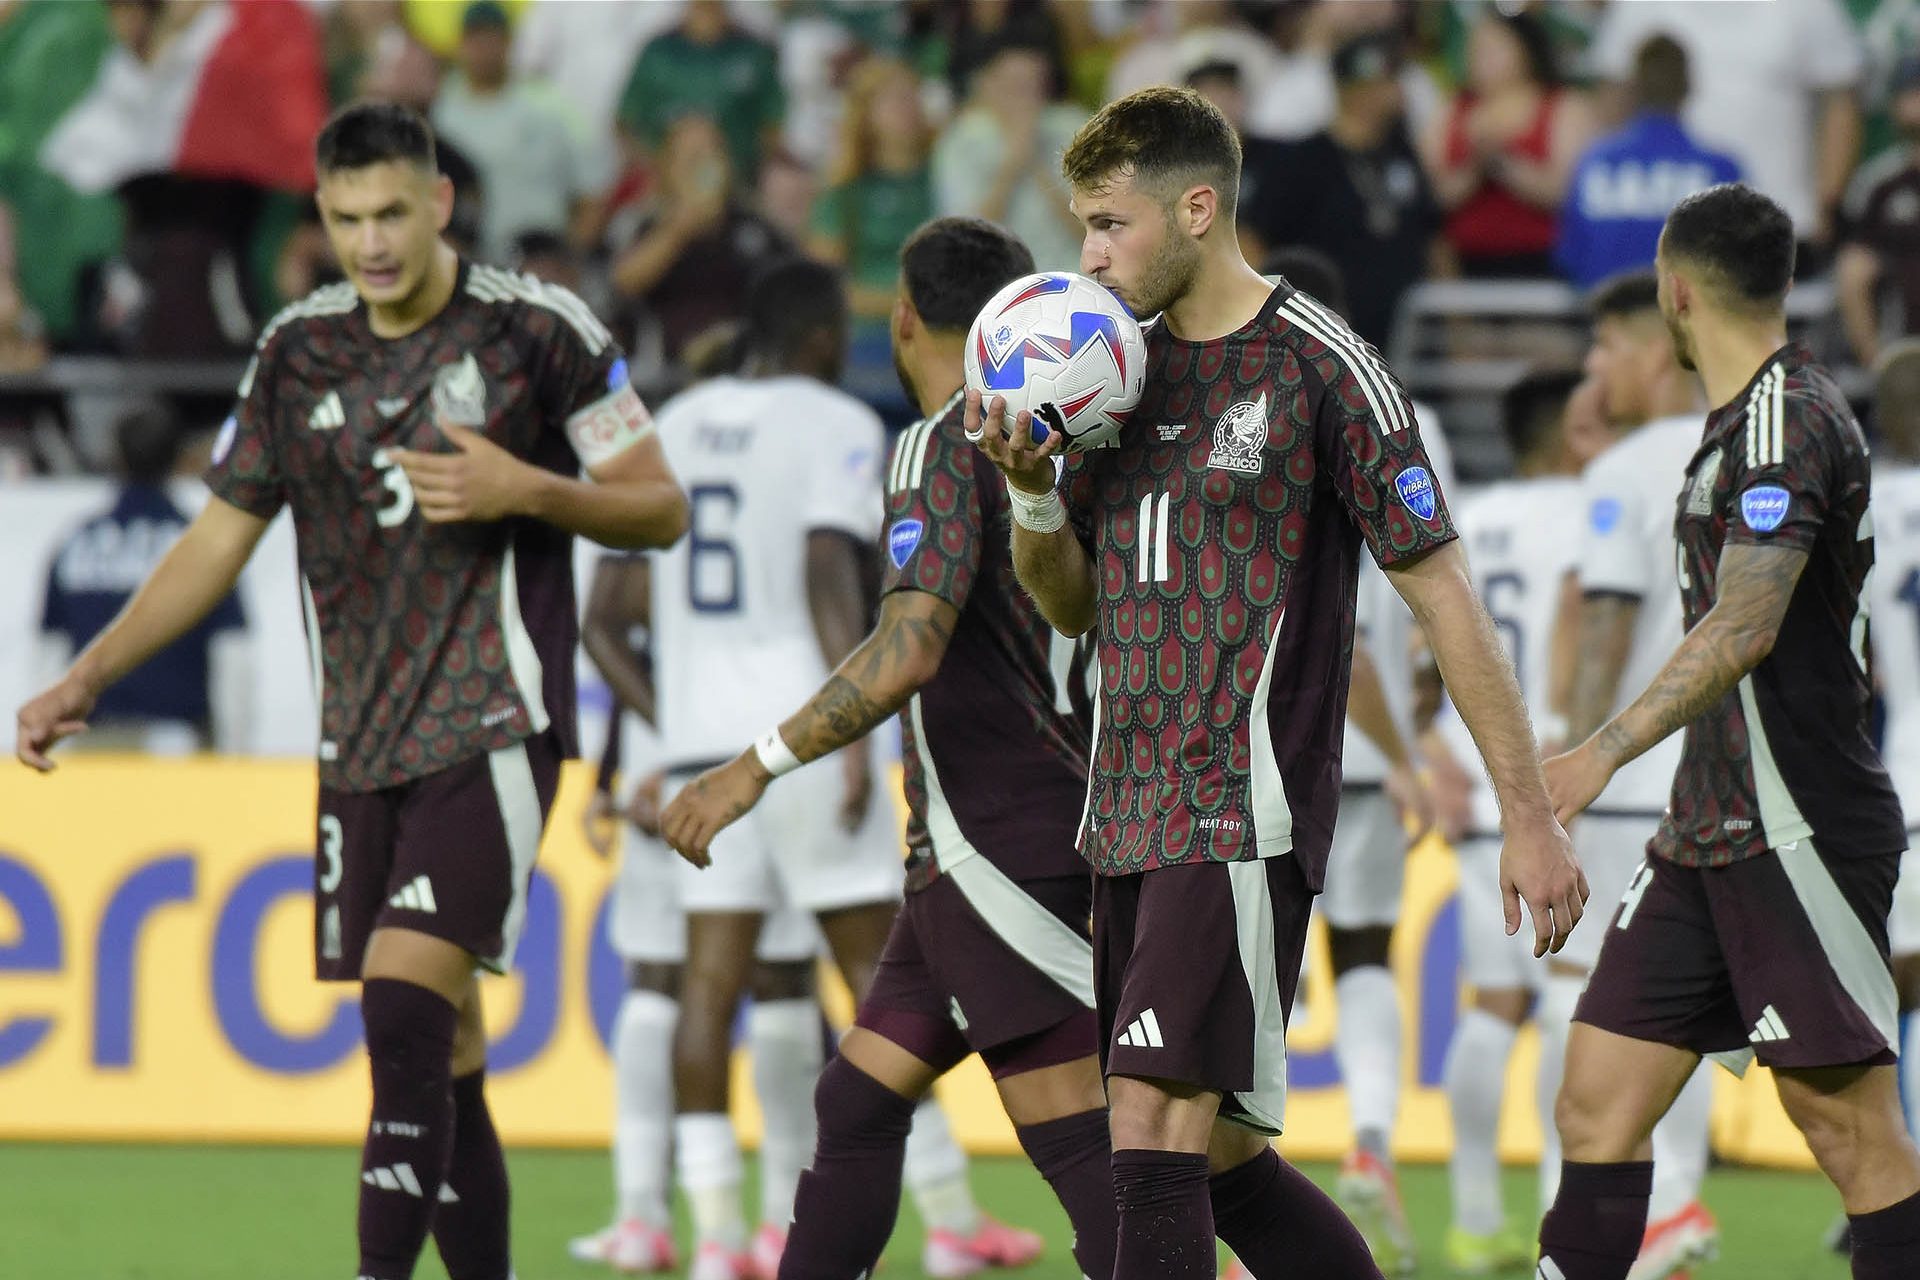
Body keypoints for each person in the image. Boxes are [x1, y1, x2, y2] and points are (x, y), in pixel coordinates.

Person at [14, 102, 690, 1280]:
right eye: (345, 218)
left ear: (437, 203)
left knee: (403, 1004)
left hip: (495, 722)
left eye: (391, 213)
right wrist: (87, 674)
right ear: (321, 217)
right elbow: (215, 542)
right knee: (448, 1048)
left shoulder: (539, 330)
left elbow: (658, 503)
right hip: (358, 748)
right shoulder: (294, 351)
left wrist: (524, 486)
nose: (371, 241)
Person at [969, 85, 1587, 1279]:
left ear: (1197, 208)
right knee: (1221, 1162)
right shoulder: (1108, 375)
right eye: (1083, 227)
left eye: (1110, 224)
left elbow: (1443, 590)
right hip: (1125, 809)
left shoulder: (1321, 367)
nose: (1087, 256)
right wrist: (1033, 494)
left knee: (1146, 1132)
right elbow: (1075, 604)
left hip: (1236, 806)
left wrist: (1527, 811)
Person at [661, 215, 1118, 1280]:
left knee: (1077, 1136)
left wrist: (749, 767)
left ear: (902, 317)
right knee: (858, 1095)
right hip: (1011, 829)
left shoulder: (939, 438)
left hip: (1001, 842)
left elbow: (910, 645)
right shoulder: (1079, 437)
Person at [1541, 182, 1920, 1280]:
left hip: (1795, 825)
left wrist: (1596, 749)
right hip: (1702, 831)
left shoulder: (1784, 419)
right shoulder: (1736, 422)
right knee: (1595, 1106)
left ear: (1676, 291)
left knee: (1852, 1135)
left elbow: (1747, 624)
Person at [568, 558, 829, 1278]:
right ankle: (780, 1222)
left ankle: (661, 1220)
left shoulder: (654, 470)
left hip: (678, 756)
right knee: (781, 981)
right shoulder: (785, 465)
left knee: (668, 984)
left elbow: (606, 627)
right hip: (776, 746)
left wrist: (630, 759)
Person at [1550, 271, 1720, 1279]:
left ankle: (1655, 1210)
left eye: (1606, 348)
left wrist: (1564, 777)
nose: (1594, 369)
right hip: (1735, 787)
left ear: (1655, 349)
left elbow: (1604, 633)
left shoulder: (1627, 469)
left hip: (1630, 792)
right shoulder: (1752, 448)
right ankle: (1675, 1212)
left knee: (1607, 1015)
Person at [1431, 369, 1605, 1274]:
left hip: (1468, 780)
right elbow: (1581, 632)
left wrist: (1429, 754)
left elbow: (1430, 641)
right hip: (1547, 790)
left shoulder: (1473, 516)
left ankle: (1467, 1220)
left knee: (1493, 1009)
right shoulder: (1591, 513)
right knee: (1569, 997)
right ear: (1570, 435)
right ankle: (1555, 1211)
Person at [38, 405, 249, 754]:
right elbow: (234, 656)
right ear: (178, 458)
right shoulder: (198, 547)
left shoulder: (78, 543)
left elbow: (48, 656)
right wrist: (236, 751)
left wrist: (46, 743)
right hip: (177, 745)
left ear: (116, 457)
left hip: (93, 747)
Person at [1587, 0, 1862, 264]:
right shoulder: (1639, 5)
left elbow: (1840, 102)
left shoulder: (1806, 5)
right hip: (1663, 221)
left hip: (1777, 223)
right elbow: (1613, 103)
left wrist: (1828, 201)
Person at [1243, 32, 1445, 349]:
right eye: (1386, 80)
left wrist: (1455, 325)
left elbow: (1434, 236)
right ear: (1354, 89)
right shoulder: (1302, 161)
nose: (1397, 90)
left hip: (1408, 338)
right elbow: (1252, 239)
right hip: (1323, 343)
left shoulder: (1402, 153)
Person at [430, 0, 612, 264]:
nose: (484, 49)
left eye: (493, 38)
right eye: (476, 39)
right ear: (461, 43)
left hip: (543, 260)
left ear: (509, 42)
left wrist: (571, 261)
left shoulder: (548, 104)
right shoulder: (439, 111)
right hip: (470, 263)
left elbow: (592, 192)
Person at [1556, 35, 1740, 290]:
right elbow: (1736, 264)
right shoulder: (1720, 170)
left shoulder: (1596, 164)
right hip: (1686, 323)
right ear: (1688, 86)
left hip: (1613, 321)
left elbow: (1572, 256)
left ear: (1634, 88)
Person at [1422, 8, 1593, 278]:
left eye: (1493, 49)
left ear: (1525, 52)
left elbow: (1572, 193)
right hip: (1465, 263)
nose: (1481, 58)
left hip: (1541, 259)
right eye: (1476, 48)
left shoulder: (1563, 108)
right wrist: (1474, 168)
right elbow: (1429, 197)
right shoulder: (1450, 111)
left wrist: (1504, 165)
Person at [932, 35, 1089, 273]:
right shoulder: (961, 140)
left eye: (1035, 85)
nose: (1026, 97)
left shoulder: (1072, 125)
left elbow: (1094, 232)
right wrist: (1011, 168)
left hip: (1074, 276)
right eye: (1014, 85)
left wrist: (1037, 163)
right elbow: (967, 242)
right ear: (986, 84)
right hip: (998, 283)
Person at [616, 0, 784, 184]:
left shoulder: (753, 52)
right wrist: (654, 171)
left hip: (738, 183)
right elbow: (624, 122)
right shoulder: (658, 53)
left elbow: (774, 123)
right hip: (664, 184)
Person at [1836, 56, 1920, 366]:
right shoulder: (1880, 184)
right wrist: (1877, 362)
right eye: (1909, 93)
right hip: (1906, 348)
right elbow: (1854, 268)